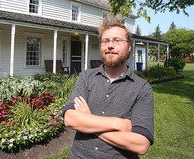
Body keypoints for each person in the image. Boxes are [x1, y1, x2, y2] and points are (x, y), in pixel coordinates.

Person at [62, 18, 154, 158]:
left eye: (117, 40)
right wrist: (118, 124)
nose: (110, 45)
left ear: (129, 46)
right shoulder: (86, 77)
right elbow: (70, 118)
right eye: (106, 41)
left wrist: (88, 121)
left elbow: (140, 144)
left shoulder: (142, 88)